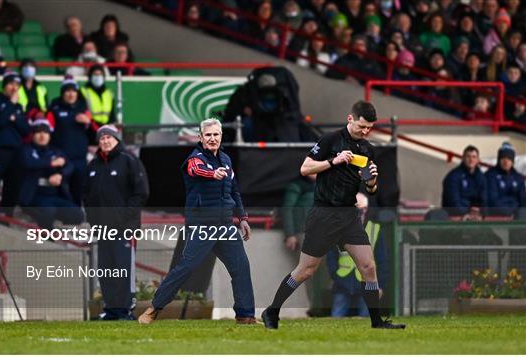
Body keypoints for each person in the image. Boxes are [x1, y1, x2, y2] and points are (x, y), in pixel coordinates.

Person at [261, 100, 405, 329]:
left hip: (349, 214)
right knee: (306, 270)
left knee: (368, 267)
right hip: (324, 213)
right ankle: (272, 311)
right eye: (362, 126)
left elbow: (371, 189)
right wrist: (332, 161)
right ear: (350, 119)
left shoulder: (368, 149)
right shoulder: (330, 140)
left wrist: (372, 181)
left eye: (369, 128)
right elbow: (305, 168)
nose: (365, 132)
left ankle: (377, 322)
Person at [138, 119, 256, 325]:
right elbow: (196, 170)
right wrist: (213, 174)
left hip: (226, 225)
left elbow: (234, 191)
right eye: (208, 135)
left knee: (241, 267)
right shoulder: (195, 158)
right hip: (202, 226)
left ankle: (245, 316)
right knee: (186, 268)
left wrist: (243, 218)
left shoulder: (226, 160)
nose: (212, 138)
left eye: (216, 134)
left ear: (221, 136)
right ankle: (153, 309)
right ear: (200, 138)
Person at [82, 125, 149, 320]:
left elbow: (141, 193)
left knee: (123, 269)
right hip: (102, 230)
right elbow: (86, 195)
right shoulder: (93, 165)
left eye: (108, 137)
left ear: (116, 139)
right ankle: (111, 309)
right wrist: (92, 219)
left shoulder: (129, 161)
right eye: (101, 138)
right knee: (106, 270)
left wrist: (123, 217)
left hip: (124, 229)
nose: (105, 141)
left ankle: (125, 309)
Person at [326, 193, 388, 317]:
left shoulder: (374, 229)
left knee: (366, 321)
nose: (360, 212)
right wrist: (336, 277)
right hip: (342, 282)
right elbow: (331, 257)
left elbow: (382, 260)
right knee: (336, 319)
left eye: (363, 209)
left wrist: (380, 285)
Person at [19, 119, 83, 229]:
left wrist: (61, 175)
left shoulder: (55, 151)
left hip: (54, 195)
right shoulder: (26, 149)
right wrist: (51, 163)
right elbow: (29, 163)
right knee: (48, 211)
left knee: (78, 215)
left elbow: (69, 166)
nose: (42, 136)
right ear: (33, 134)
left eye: (45, 132)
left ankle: (53, 220)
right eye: (38, 132)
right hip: (35, 196)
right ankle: (48, 236)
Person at [47, 78, 97, 205]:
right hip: (61, 157)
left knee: (78, 188)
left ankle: (75, 214)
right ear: (62, 93)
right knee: (61, 186)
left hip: (79, 157)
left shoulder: (84, 109)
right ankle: (62, 213)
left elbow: (95, 132)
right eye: (67, 91)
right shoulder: (54, 109)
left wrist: (88, 122)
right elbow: (47, 131)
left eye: (73, 91)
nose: (71, 94)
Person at [0, 72, 30, 213]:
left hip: (16, 151)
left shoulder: (19, 106)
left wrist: (14, 118)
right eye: (11, 83)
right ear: (4, 84)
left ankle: (7, 216)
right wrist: (11, 106)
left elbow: (25, 129)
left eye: (17, 85)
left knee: (12, 185)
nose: (14, 87)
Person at [441, 145, 487, 217]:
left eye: (474, 157)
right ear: (463, 158)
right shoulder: (453, 176)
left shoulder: (481, 177)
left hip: (475, 216)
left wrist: (480, 210)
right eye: (468, 156)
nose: (471, 160)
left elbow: (484, 199)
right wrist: (468, 212)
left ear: (478, 159)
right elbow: (453, 203)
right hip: (454, 217)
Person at [485, 143, 526, 217]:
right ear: (499, 159)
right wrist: (510, 211)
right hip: (496, 216)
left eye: (509, 159)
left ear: (512, 161)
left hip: (515, 215)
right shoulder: (490, 175)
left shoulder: (518, 178)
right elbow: (492, 201)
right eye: (503, 158)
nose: (506, 161)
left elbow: (523, 200)